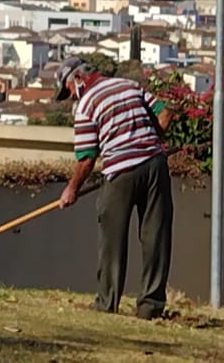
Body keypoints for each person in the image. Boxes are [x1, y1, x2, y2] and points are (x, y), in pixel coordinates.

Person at [54, 56, 175, 318]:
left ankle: (107, 304)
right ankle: (150, 307)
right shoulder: (128, 85)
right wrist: (150, 140)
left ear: (78, 78)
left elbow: (86, 158)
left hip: (120, 172)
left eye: (69, 90)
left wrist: (71, 189)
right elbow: (165, 112)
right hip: (155, 164)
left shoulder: (86, 106)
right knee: (156, 236)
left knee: (112, 240)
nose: (71, 96)